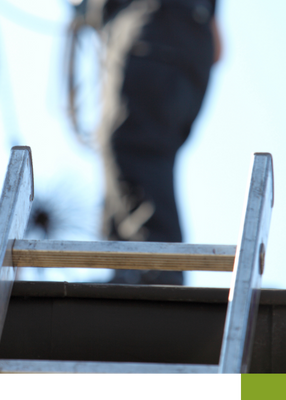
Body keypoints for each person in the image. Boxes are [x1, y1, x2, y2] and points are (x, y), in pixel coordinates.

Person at [68, 0, 221, 284]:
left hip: (154, 32)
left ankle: (154, 275)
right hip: (176, 41)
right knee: (130, 151)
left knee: (132, 146)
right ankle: (133, 268)